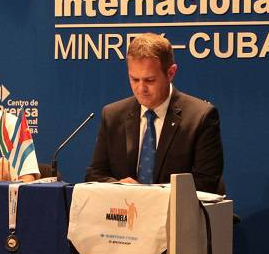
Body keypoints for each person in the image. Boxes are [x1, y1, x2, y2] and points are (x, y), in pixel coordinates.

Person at [85, 33, 225, 194]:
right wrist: (120, 187)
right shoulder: (113, 115)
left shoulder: (200, 117)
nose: (141, 89)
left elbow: (206, 183)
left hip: (178, 216)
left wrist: (149, 196)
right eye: (134, 79)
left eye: (150, 80)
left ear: (171, 73)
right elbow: (95, 175)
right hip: (126, 214)